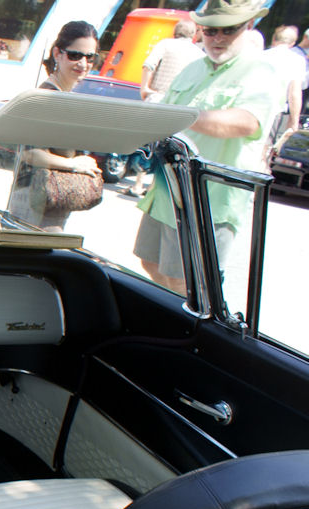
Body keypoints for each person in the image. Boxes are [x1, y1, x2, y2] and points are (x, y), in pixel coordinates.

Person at [132, 0, 281, 293]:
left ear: (248, 27)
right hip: (167, 193)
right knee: (150, 264)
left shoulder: (259, 71)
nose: (218, 38)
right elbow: (164, 114)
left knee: (187, 283)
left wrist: (185, 116)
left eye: (229, 29)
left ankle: (188, 335)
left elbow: (248, 122)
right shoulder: (193, 69)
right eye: (211, 31)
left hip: (208, 201)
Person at [6, 20, 103, 231]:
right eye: (75, 55)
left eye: (90, 57)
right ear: (58, 53)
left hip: (50, 201)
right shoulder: (48, 97)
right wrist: (77, 164)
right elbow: (31, 155)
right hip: (35, 203)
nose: (83, 63)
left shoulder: (62, 96)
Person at [127, 19, 203, 196]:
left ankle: (138, 184)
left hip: (158, 98)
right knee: (169, 147)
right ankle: (155, 187)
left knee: (147, 144)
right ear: (193, 34)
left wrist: (144, 88)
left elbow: (148, 64)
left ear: (175, 31)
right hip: (181, 107)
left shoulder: (166, 44)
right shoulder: (198, 53)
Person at [261, 26, 305, 142]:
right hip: (273, 111)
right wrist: (294, 122)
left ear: (274, 39)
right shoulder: (297, 60)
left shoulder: (261, 56)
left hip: (250, 108)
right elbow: (294, 93)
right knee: (264, 150)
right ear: (293, 43)